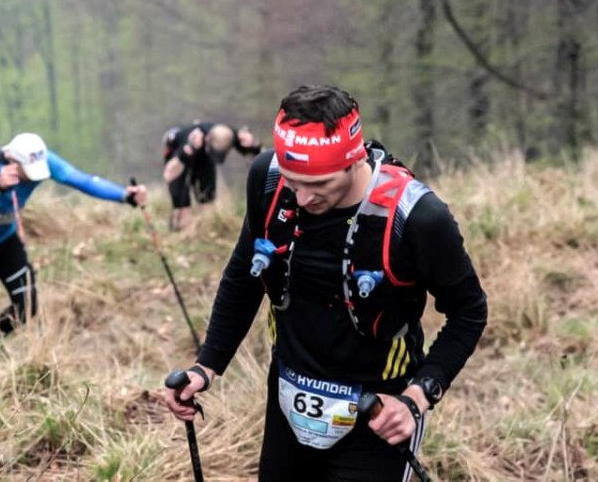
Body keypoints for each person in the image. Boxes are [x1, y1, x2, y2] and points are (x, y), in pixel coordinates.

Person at [163, 86, 488, 481]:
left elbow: (469, 312)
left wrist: (416, 398)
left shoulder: (416, 217)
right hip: (289, 398)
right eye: (292, 180)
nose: (301, 198)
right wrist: (206, 366)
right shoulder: (267, 182)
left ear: (354, 160)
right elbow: (243, 276)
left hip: (377, 411)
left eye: (319, 184)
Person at [0, 132, 146, 354]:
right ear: (13, 162)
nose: (34, 178)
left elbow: (81, 180)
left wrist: (124, 195)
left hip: (3, 241)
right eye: (29, 173)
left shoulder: (40, 158)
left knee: (27, 303)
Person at [162, 122, 262, 231]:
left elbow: (260, 155)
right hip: (180, 155)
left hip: (204, 156)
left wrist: (254, 145)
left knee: (207, 204)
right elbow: (169, 175)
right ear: (208, 139)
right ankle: (179, 228)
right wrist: (188, 151)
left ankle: (204, 232)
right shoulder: (191, 141)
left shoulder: (229, 135)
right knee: (183, 211)